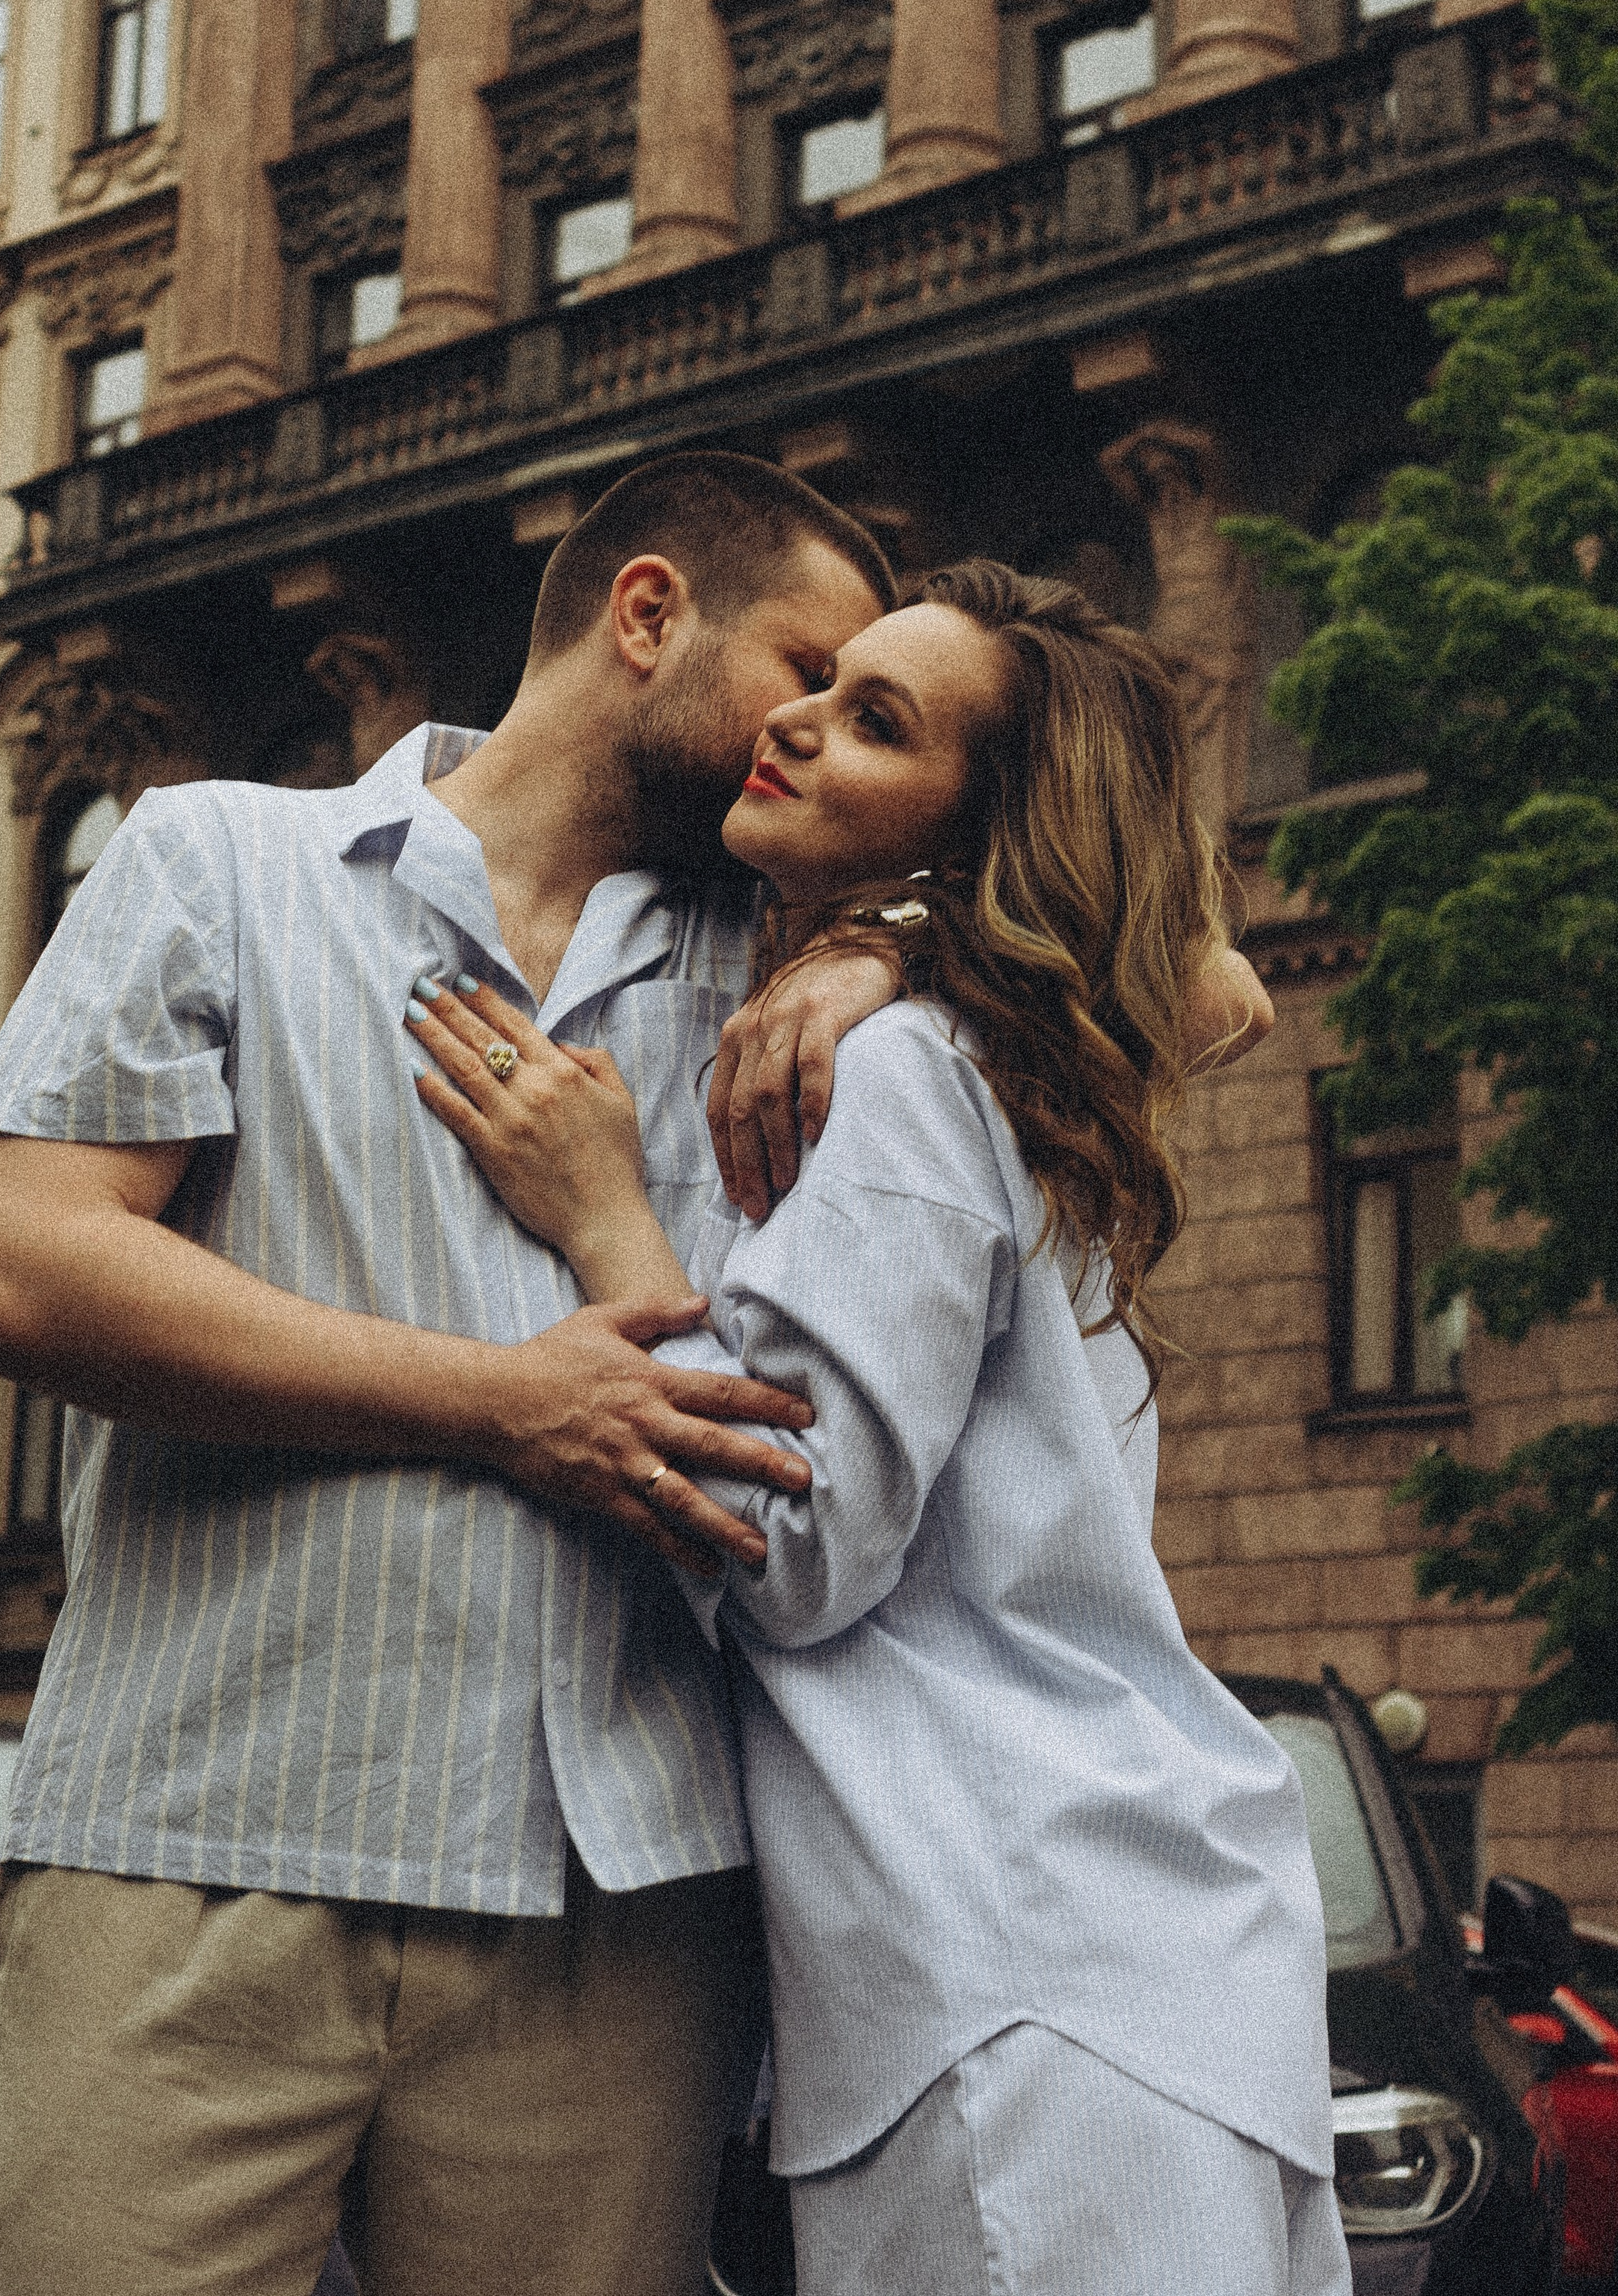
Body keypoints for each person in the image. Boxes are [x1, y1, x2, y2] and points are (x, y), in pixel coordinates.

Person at [0, 451, 905, 2296]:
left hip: (614, 1909)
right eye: (805, 672)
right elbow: (20, 1269)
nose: (815, 738)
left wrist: (900, 950)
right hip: (193, 1853)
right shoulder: (219, 860)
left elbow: (1185, 973)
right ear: (646, 616)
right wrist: (505, 1398)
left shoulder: (788, 974)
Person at [403, 558, 1348, 2296]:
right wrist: (896, 933)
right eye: (825, 682)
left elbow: (790, 1546)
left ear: (976, 830)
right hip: (1124, 1965)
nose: (797, 716)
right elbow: (1207, 981)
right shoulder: (1016, 1060)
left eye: (875, 721)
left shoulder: (911, 1072)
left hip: (1004, 1973)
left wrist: (608, 1215)